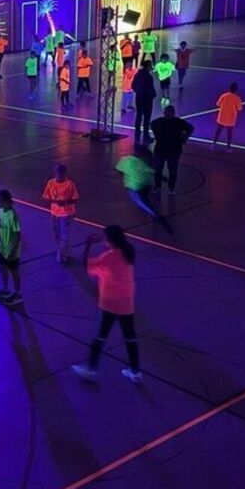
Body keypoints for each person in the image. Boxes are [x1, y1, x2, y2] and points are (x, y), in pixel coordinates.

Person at [71, 226, 142, 384]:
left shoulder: (108, 257)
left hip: (110, 303)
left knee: (100, 336)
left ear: (110, 240)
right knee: (130, 337)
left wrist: (88, 244)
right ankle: (135, 371)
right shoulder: (128, 252)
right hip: (126, 302)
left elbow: (87, 266)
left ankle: (91, 368)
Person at [116, 146, 173, 234]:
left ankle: (159, 218)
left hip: (134, 187)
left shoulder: (125, 160)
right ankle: (147, 206)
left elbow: (119, 170)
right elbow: (153, 172)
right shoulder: (142, 164)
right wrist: (163, 178)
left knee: (144, 205)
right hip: (146, 185)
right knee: (144, 199)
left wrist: (125, 175)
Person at [149, 105, 194, 195]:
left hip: (164, 149)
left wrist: (156, 135)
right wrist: (184, 138)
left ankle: (161, 187)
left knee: (163, 169)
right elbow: (191, 128)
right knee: (170, 169)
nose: (167, 115)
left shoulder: (159, 122)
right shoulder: (178, 122)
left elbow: (151, 125)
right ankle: (169, 188)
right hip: (172, 149)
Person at [0, 189, 24, 306]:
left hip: (12, 249)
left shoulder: (12, 215)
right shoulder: (1, 211)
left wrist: (12, 250)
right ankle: (5, 288)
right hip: (3, 247)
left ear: (5, 201)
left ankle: (18, 294)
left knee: (14, 270)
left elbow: (17, 234)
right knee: (1, 266)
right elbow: (0, 226)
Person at [132, 60, 157, 146]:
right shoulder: (148, 77)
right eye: (150, 65)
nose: (151, 67)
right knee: (146, 117)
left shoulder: (138, 75)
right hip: (147, 98)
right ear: (147, 66)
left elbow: (133, 86)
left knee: (139, 116)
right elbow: (150, 88)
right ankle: (146, 136)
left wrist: (138, 92)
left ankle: (137, 135)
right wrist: (153, 95)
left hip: (139, 97)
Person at [213, 82, 243, 151]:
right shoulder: (237, 98)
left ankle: (213, 144)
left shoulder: (224, 95)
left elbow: (218, 104)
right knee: (229, 133)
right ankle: (228, 147)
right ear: (236, 89)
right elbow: (239, 108)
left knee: (218, 131)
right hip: (231, 118)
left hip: (222, 117)